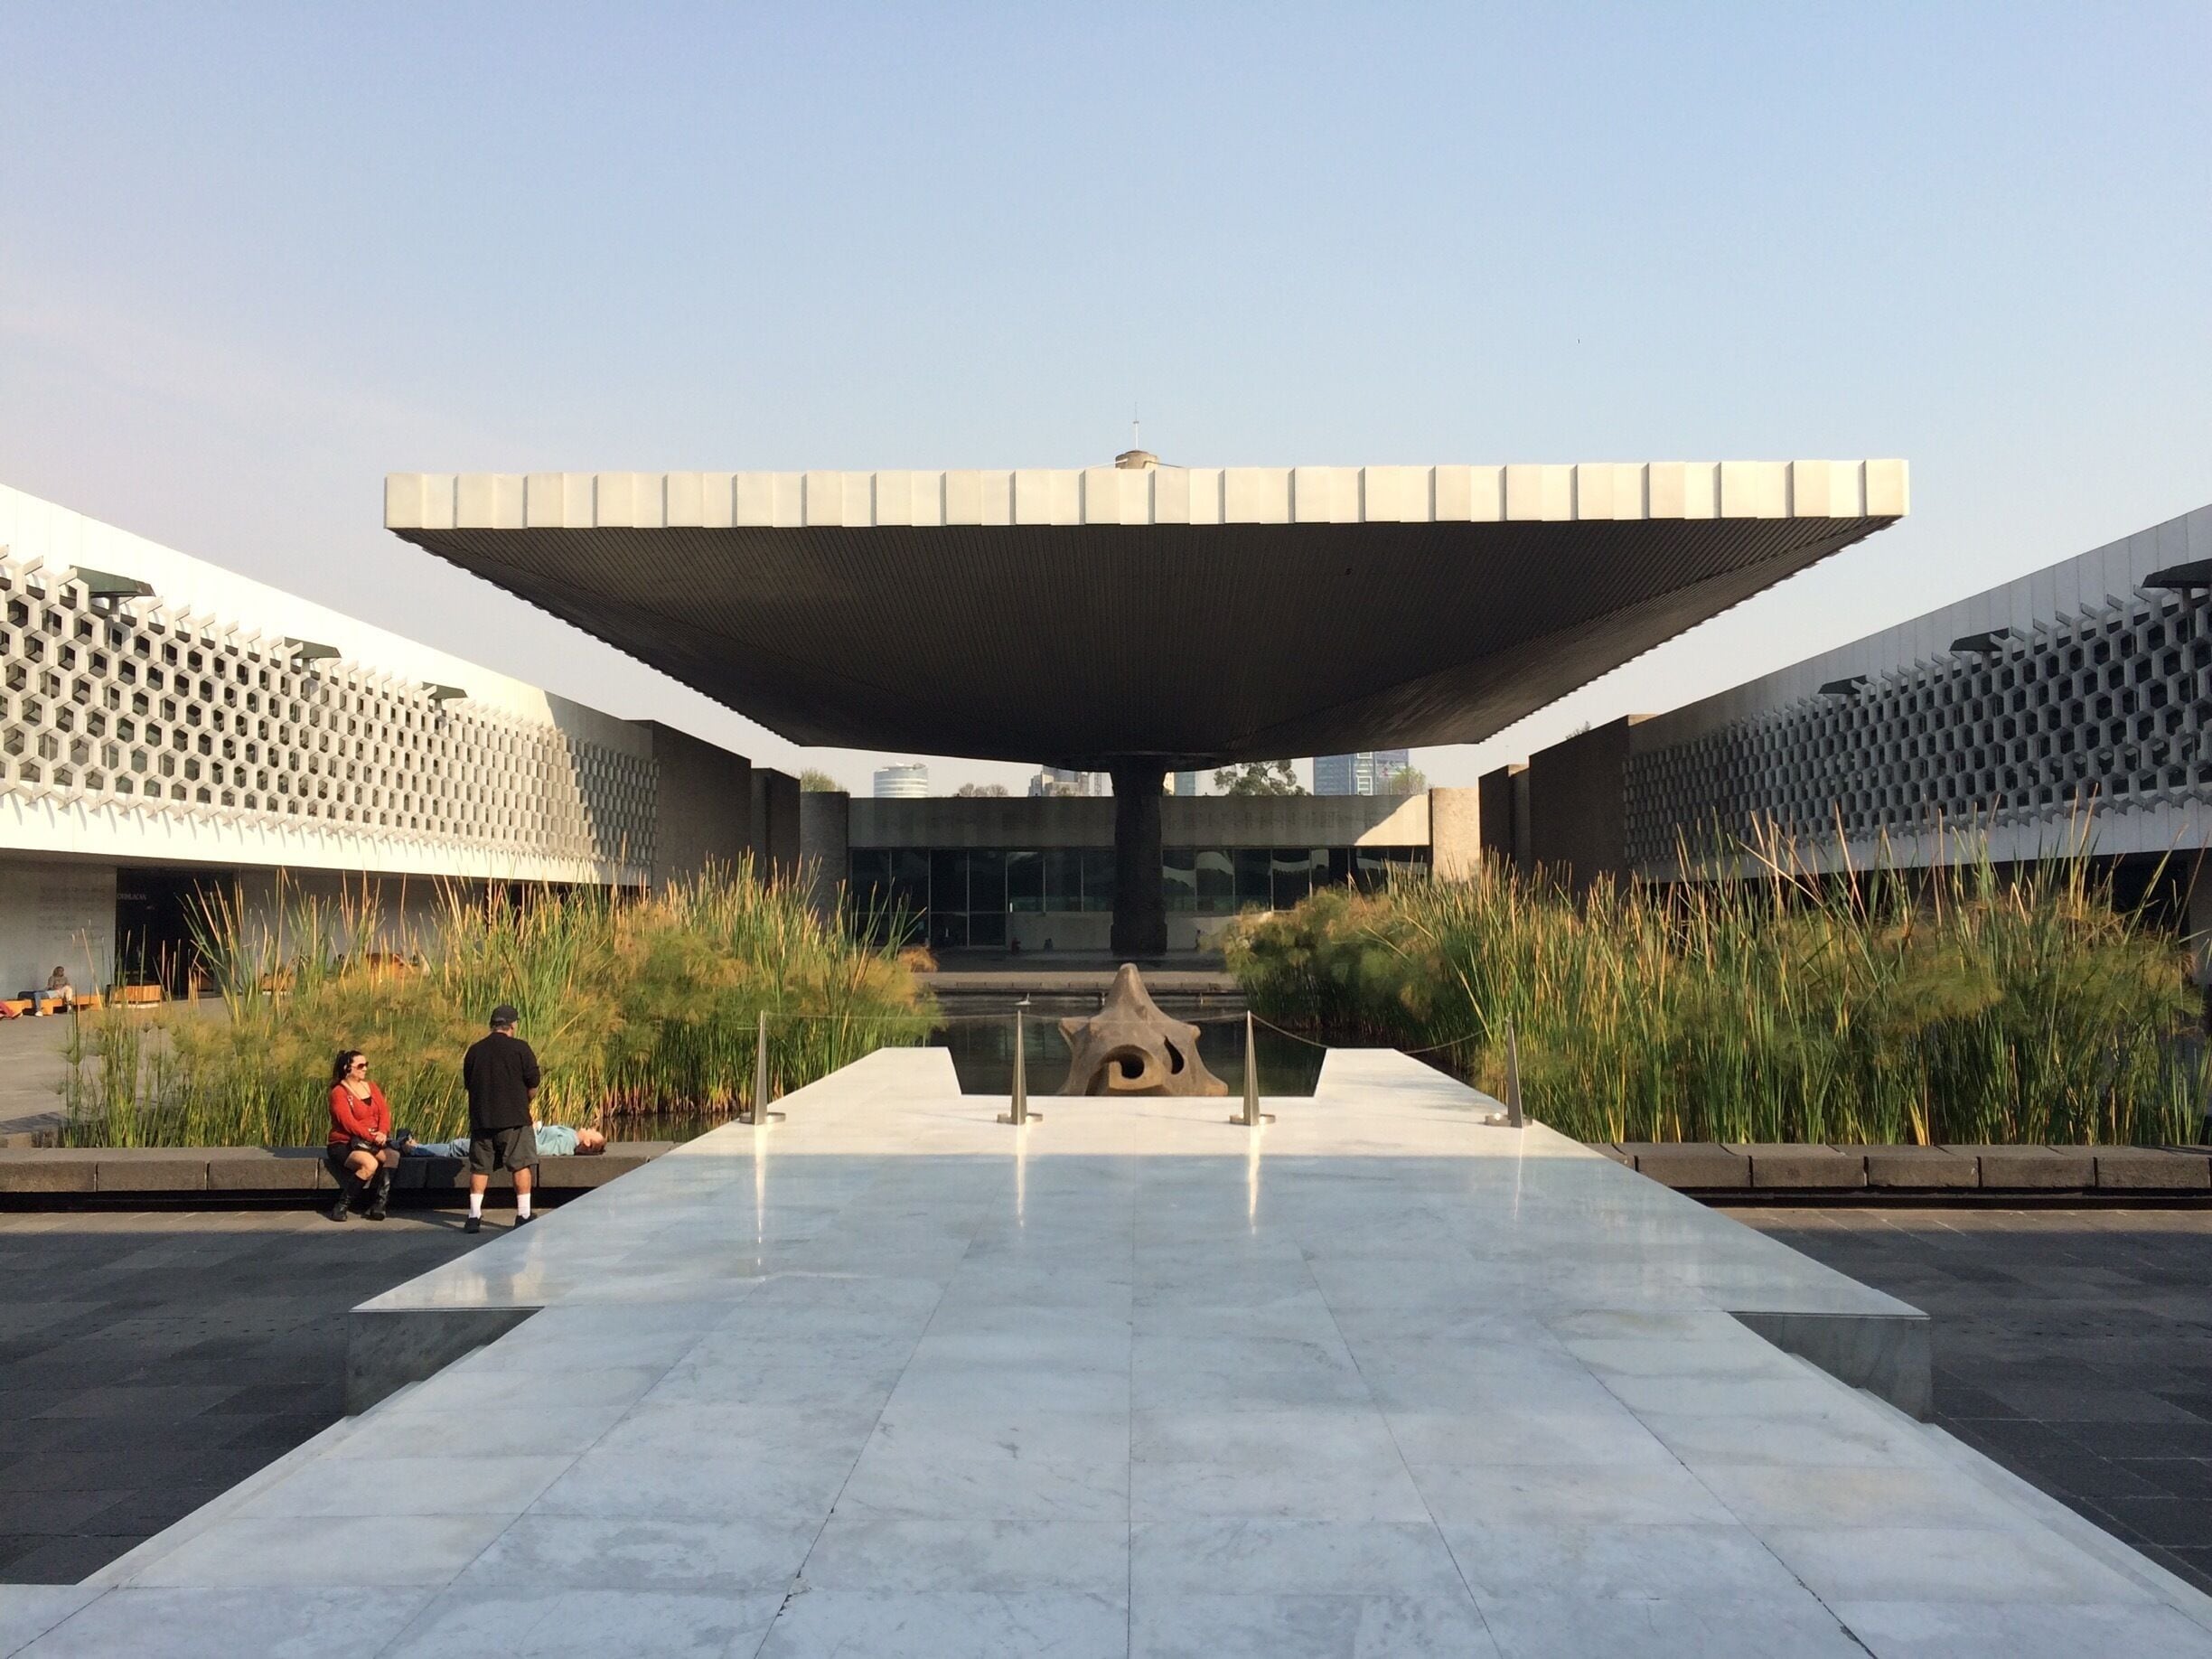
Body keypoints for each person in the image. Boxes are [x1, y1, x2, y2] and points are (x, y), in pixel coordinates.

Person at [461, 1003, 541, 1234]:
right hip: (514, 1118)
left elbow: (469, 1085)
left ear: (492, 1025)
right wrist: (525, 1101)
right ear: (513, 1025)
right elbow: (533, 1083)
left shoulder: (474, 1051)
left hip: (482, 1118)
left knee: (479, 1168)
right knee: (520, 1165)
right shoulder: (520, 1048)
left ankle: (474, 1216)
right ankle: (523, 1214)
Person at [326, 1049, 398, 1222]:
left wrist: (382, 1132)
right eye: (360, 1065)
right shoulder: (339, 1092)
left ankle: (380, 1204)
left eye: (366, 1065)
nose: (365, 1068)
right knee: (370, 1164)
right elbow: (347, 1123)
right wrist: (372, 1136)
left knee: (393, 1156)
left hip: (371, 1140)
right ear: (347, 1068)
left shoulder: (371, 1087)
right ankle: (342, 1205)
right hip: (345, 1142)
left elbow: (384, 1112)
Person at [400, 1123, 605, 1158]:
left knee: (458, 1147)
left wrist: (529, 1132)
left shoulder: (567, 1142)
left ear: (587, 1143)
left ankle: (416, 1150)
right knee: (459, 1146)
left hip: (513, 1142)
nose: (592, 1129)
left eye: (594, 1133)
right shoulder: (569, 1134)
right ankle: (418, 1147)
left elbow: (540, 1149)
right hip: (516, 1136)